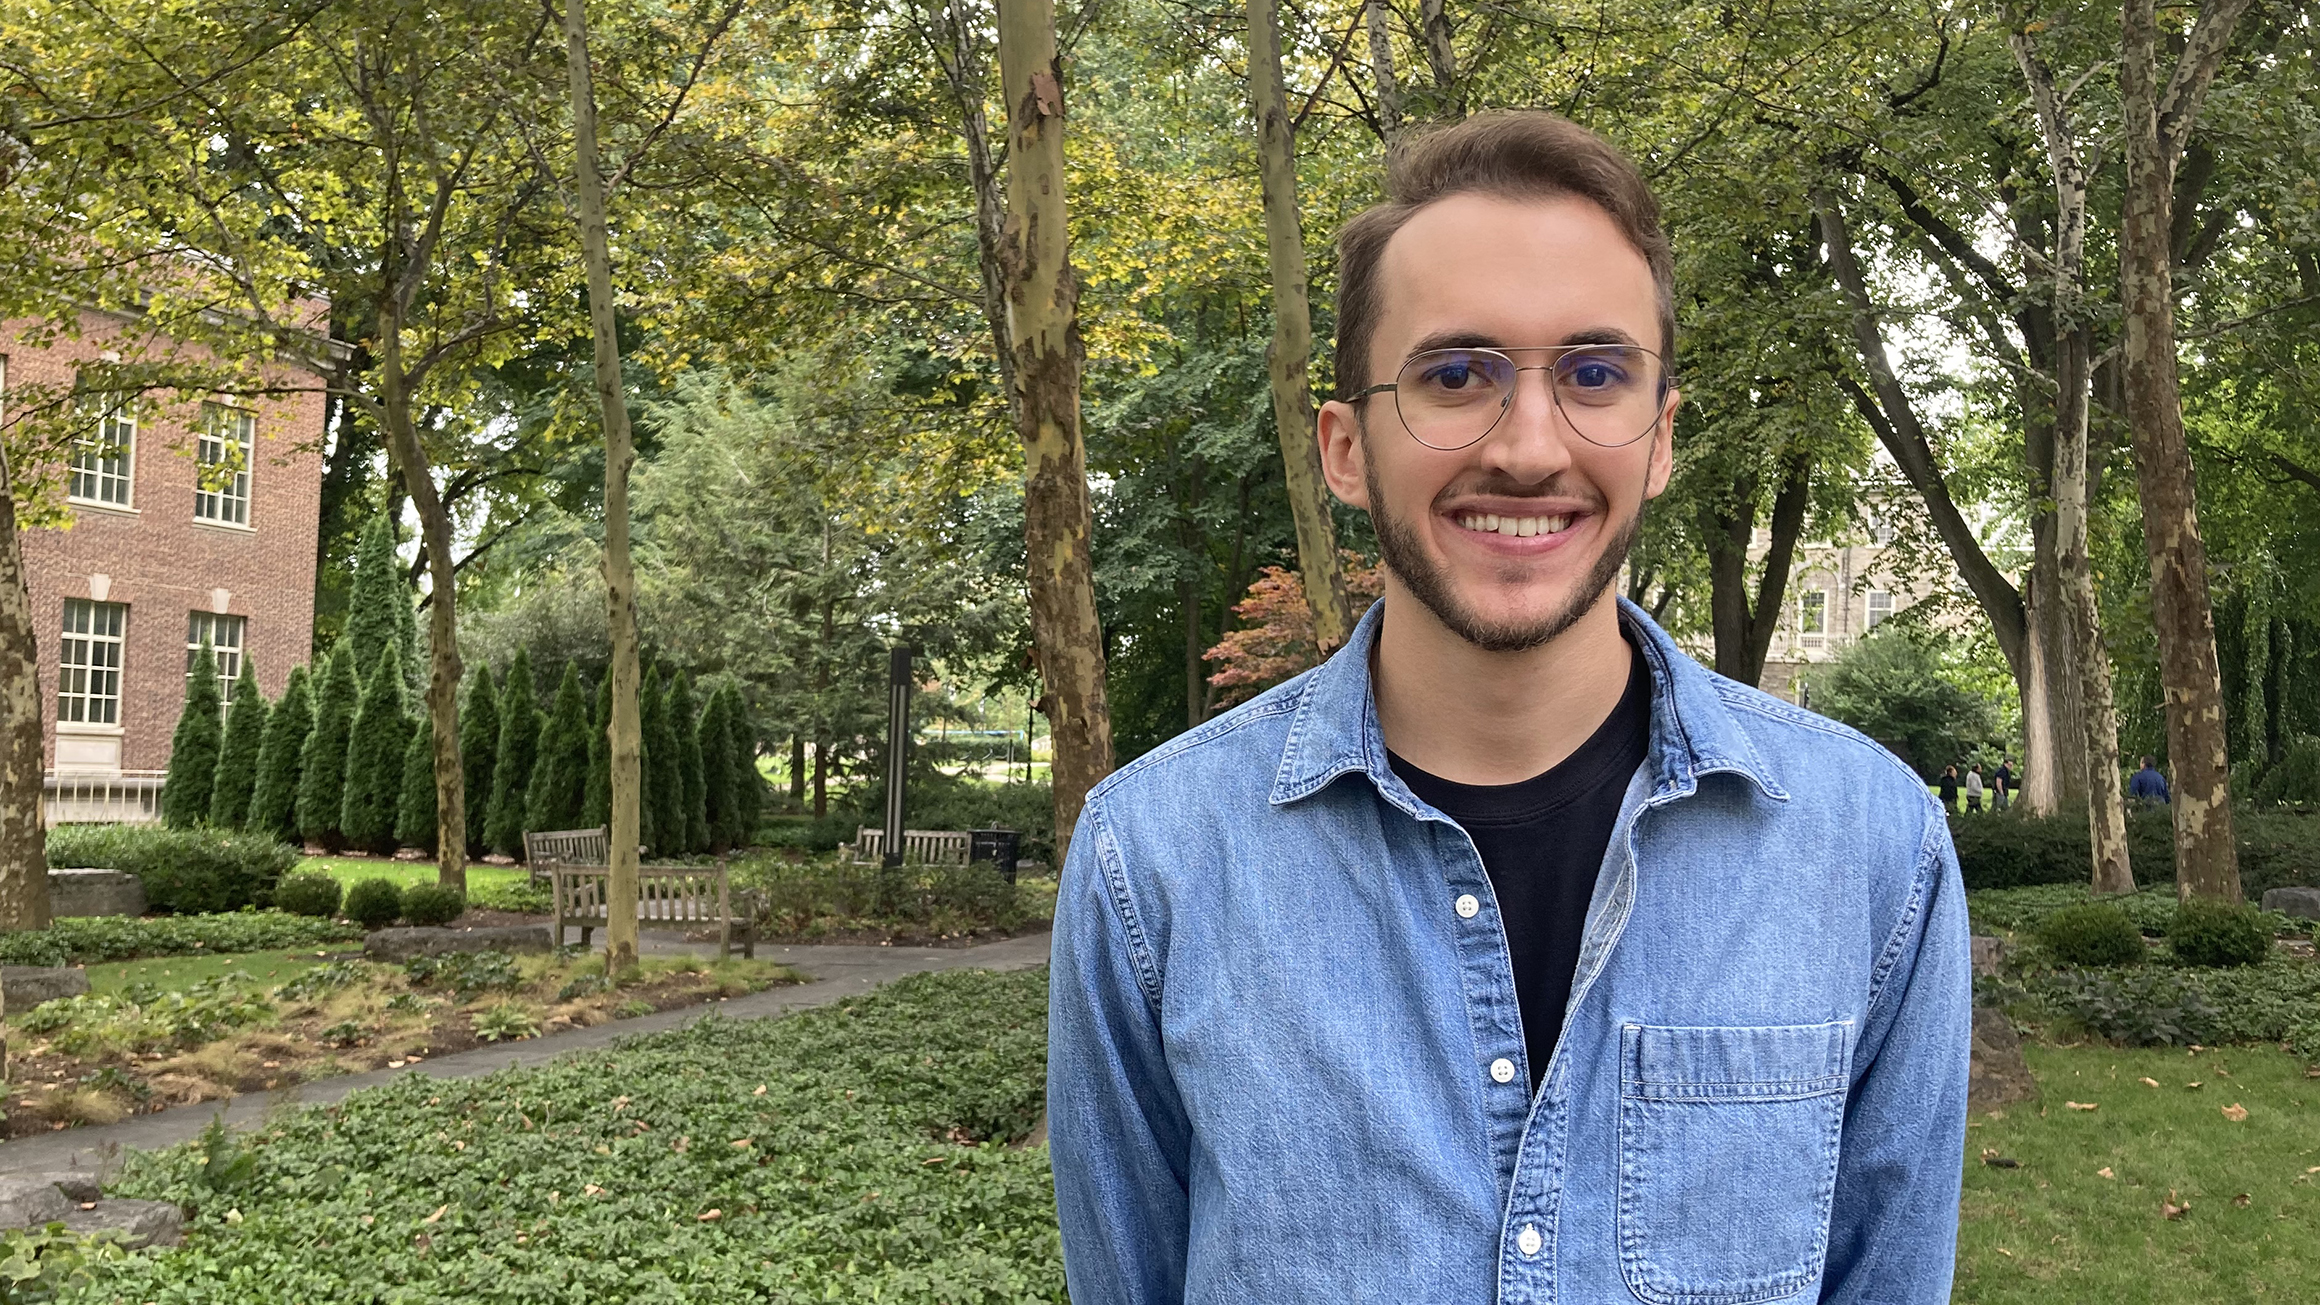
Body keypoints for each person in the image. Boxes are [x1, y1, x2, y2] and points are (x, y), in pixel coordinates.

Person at [1048, 111, 1970, 1304]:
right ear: (1343, 447)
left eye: (1594, 374)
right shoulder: (1154, 866)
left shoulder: (1871, 850)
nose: (1529, 447)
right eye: (1454, 374)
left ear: (1659, 438)